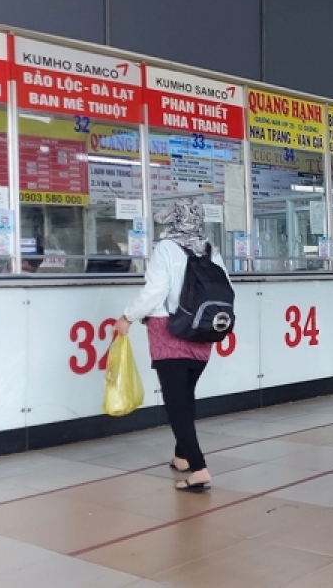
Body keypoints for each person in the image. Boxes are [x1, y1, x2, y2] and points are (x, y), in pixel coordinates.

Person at [114, 198, 230, 493]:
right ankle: (181, 457)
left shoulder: (166, 248)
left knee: (176, 402)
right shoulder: (210, 249)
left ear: (175, 221)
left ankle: (199, 467)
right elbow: (227, 285)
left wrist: (128, 316)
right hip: (203, 332)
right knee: (185, 395)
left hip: (169, 330)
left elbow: (156, 291)